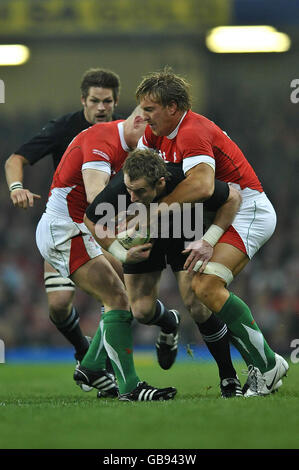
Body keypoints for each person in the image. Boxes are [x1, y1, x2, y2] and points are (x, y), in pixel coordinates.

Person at [133, 68, 289, 397]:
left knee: (206, 286)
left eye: (150, 109)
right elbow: (141, 172)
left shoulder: (192, 131)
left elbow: (203, 185)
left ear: (172, 108)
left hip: (248, 211)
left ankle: (267, 365)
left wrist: (162, 208)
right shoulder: (155, 135)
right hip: (221, 215)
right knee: (206, 289)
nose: (143, 116)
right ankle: (265, 365)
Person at [35, 106, 177, 401]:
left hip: (79, 229)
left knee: (122, 296)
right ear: (139, 119)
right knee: (117, 300)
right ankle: (129, 387)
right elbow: (96, 203)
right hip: (66, 230)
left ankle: (91, 367)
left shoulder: (129, 146)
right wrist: (126, 233)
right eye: (150, 126)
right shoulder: (103, 141)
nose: (153, 135)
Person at [85, 149, 244, 398]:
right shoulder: (121, 187)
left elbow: (233, 198)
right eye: (129, 189)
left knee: (198, 305)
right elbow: (91, 219)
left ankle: (228, 377)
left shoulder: (184, 179)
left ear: (160, 182)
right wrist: (122, 254)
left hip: (185, 227)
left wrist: (210, 239)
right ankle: (169, 323)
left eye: (139, 191)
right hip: (145, 237)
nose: (132, 196)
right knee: (141, 311)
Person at [4, 68, 122, 365]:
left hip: (106, 226)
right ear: (83, 100)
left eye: (107, 101)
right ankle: (85, 352)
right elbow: (16, 159)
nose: (101, 108)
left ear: (115, 102)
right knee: (58, 306)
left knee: (121, 294)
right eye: (95, 101)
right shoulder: (65, 128)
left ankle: (106, 360)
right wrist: (17, 187)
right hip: (68, 226)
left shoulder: (124, 132)